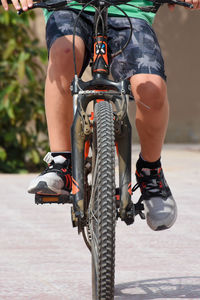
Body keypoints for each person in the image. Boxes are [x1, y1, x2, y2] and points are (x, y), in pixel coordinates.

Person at [2, 0, 199, 231]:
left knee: (151, 88)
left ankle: (150, 173)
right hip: (68, 5)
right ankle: (60, 163)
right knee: (64, 53)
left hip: (130, 8)